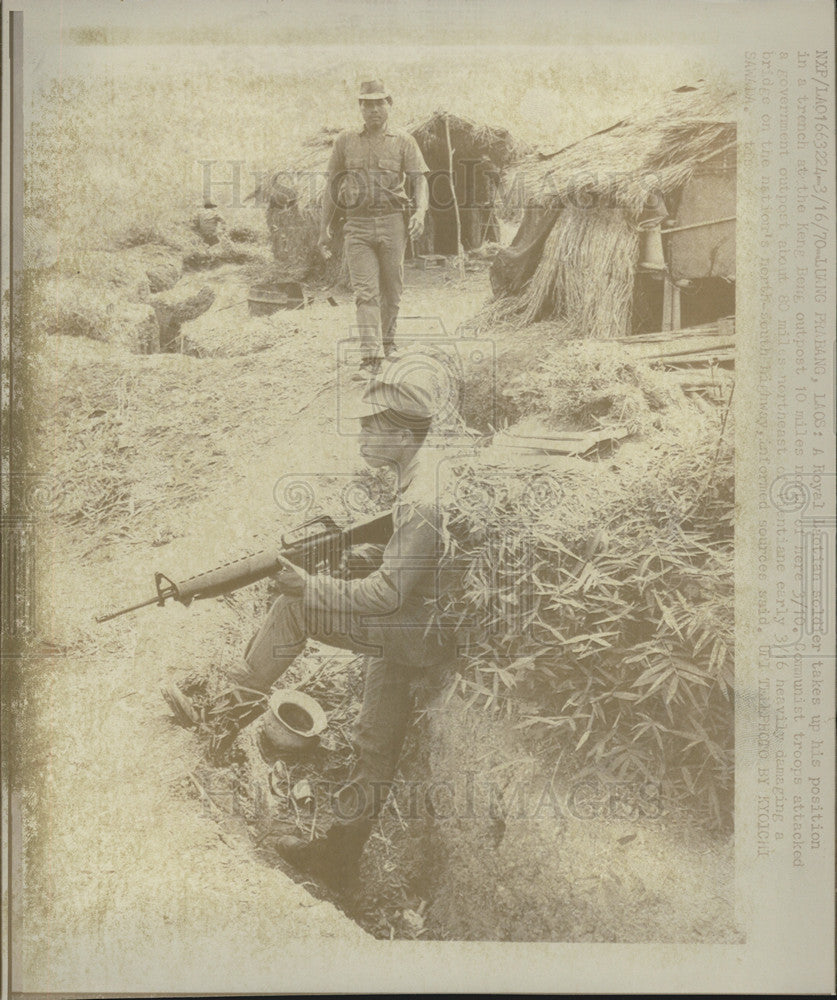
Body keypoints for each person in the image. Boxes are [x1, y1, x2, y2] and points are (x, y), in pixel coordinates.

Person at [163, 361, 457, 891]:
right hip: (420, 624)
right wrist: (365, 553)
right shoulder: (422, 472)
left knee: (296, 608)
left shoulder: (421, 501)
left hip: (415, 631)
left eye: (371, 426)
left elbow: (390, 594)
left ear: (401, 432)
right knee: (375, 736)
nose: (362, 435)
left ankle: (224, 710)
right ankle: (340, 857)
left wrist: (312, 586)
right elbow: (410, 564)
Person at [319, 79, 429, 380]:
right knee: (366, 293)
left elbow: (420, 179)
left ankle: (387, 343)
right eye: (368, 105)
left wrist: (420, 211)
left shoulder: (404, 141)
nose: (374, 110)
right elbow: (331, 185)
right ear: (361, 108)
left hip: (393, 222)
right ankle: (371, 358)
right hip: (357, 224)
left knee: (392, 290)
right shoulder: (345, 141)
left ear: (389, 105)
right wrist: (324, 228)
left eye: (380, 104)